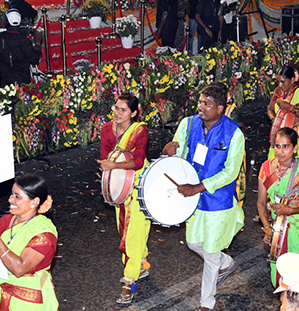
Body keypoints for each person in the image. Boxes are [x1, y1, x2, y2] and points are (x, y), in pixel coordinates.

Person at [163, 83, 246, 311]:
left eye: (207, 104)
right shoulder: (187, 124)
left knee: (209, 252)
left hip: (218, 201)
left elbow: (230, 172)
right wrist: (167, 151)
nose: (201, 107)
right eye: (200, 102)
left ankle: (206, 304)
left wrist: (198, 187)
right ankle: (226, 263)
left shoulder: (234, 133)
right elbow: (178, 154)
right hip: (193, 199)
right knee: (193, 242)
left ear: (220, 108)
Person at [96, 94, 152, 303]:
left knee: (131, 234)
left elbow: (137, 162)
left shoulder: (140, 130)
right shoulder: (106, 129)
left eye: (123, 110)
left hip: (138, 183)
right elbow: (104, 157)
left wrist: (114, 167)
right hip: (119, 185)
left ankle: (129, 281)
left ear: (134, 113)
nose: (118, 113)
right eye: (116, 108)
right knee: (125, 229)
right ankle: (141, 262)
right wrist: (108, 172)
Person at [0, 173, 59, 310]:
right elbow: (0, 259)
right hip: (1, 293)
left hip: (27, 300)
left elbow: (19, 268)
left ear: (34, 202)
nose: (10, 200)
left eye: (17, 197)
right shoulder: (5, 221)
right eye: (12, 194)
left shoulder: (44, 233)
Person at [258, 128, 299, 286]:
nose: (280, 151)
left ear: (295, 148)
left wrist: (291, 210)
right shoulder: (266, 168)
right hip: (278, 228)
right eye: (277, 146)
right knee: (282, 278)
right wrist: (267, 227)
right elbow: (260, 202)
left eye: (286, 147)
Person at [268, 65, 299, 151]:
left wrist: (289, 107)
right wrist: (276, 121)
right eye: (278, 82)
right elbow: (270, 109)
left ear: (292, 80)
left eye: (283, 82)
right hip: (280, 134)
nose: (280, 85)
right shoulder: (277, 91)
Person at [0, 9, 42, 87]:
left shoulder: (0, 37)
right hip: (22, 82)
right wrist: (37, 43)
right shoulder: (23, 40)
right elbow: (34, 59)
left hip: (5, 80)